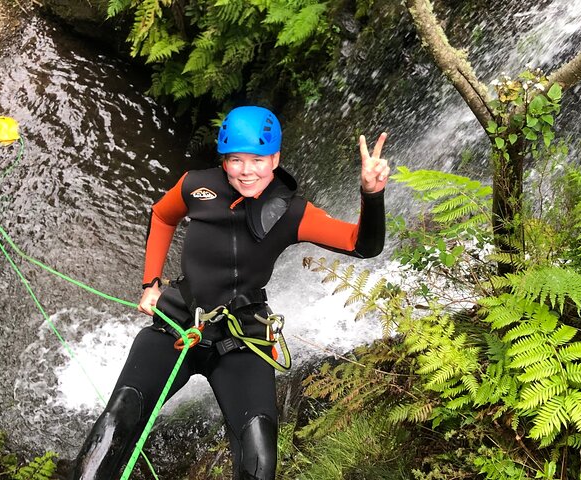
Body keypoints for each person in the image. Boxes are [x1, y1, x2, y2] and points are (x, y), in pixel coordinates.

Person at [72, 106, 390, 480]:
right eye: (235, 159)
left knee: (258, 455)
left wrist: (372, 195)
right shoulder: (195, 186)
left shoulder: (293, 213)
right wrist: (150, 282)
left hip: (243, 338)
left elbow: (361, 245)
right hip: (179, 322)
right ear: (224, 160)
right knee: (118, 416)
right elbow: (161, 215)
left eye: (257, 159)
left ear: (276, 159)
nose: (246, 170)